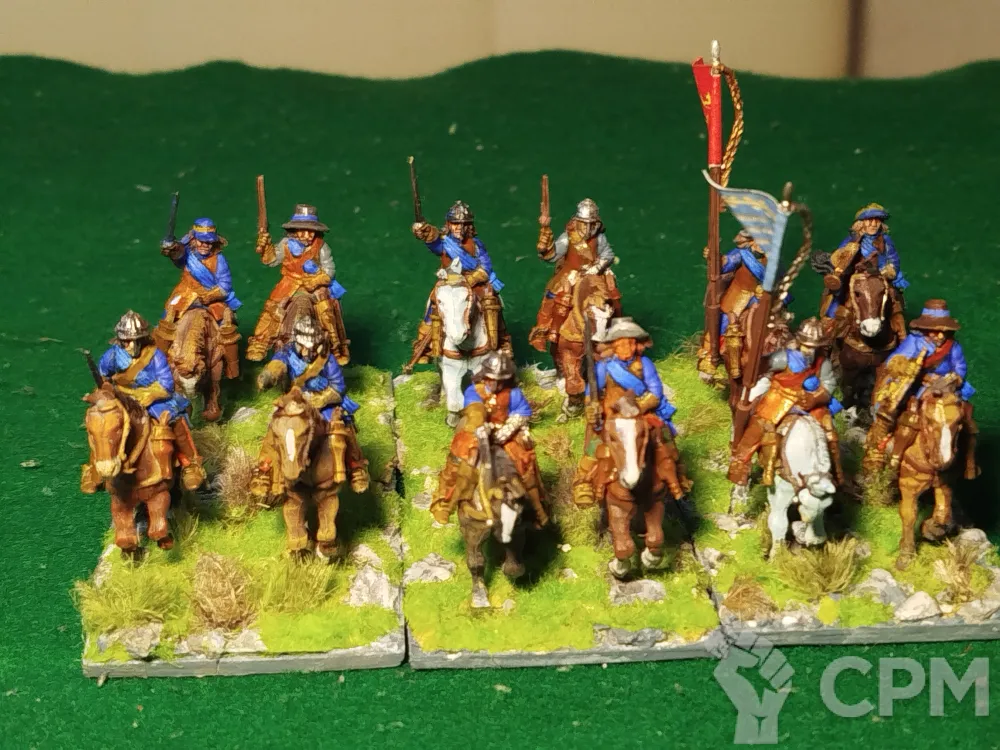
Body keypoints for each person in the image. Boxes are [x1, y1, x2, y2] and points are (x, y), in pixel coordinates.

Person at [572, 317, 690, 507]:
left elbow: (655, 391)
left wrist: (637, 408)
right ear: (613, 346)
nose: (627, 348)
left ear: (637, 344)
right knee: (596, 443)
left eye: (631, 343)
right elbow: (591, 393)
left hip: (641, 412)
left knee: (664, 438)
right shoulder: (604, 367)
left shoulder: (645, 364)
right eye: (622, 344)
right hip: (612, 415)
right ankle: (583, 480)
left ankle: (678, 475)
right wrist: (592, 406)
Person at [88, 310, 205, 490]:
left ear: (139, 340)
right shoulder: (113, 355)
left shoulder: (155, 356)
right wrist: (106, 389)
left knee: (174, 419)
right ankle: (94, 466)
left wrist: (150, 396)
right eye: (123, 341)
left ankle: (190, 463)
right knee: (101, 422)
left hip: (153, 397)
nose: (126, 345)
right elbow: (104, 374)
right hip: (122, 395)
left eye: (129, 341)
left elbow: (166, 385)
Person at [864, 299, 978, 477]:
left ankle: (968, 462)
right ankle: (884, 451)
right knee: (901, 415)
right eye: (935, 331)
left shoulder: (953, 346)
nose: (940, 336)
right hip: (917, 387)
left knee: (966, 421)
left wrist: (954, 378)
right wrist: (917, 374)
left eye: (943, 332)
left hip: (946, 387)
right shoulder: (915, 342)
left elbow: (960, 366)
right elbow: (895, 362)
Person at [255, 315, 369, 493]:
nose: (307, 352)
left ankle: (355, 465)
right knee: (275, 426)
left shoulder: (327, 359)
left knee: (340, 426)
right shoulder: (287, 352)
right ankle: (265, 468)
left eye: (312, 348)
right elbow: (278, 363)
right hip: (296, 400)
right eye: (304, 347)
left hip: (323, 401)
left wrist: (321, 399)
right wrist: (269, 375)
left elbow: (338, 387)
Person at [727, 318, 844, 487]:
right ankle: (740, 464)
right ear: (799, 343)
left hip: (809, 400)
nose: (810, 351)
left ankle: (836, 473)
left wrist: (816, 398)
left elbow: (828, 384)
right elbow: (763, 365)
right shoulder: (785, 357)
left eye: (814, 347)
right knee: (759, 424)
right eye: (807, 346)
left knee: (829, 431)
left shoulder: (822, 363)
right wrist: (757, 360)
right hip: (780, 397)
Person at [407, 201, 510, 367]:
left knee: (492, 302)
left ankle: (502, 342)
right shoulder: (444, 243)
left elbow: (485, 266)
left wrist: (470, 280)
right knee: (434, 303)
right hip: (450, 281)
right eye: (455, 224)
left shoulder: (476, 244)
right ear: (449, 224)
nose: (459, 228)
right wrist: (424, 231)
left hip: (473, 281)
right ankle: (424, 346)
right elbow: (433, 241)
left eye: (463, 224)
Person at [248, 204, 350, 364]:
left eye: (311, 231)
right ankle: (261, 341)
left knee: (325, 309)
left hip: (314, 284)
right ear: (295, 230)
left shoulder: (321, 246)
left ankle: (335, 345)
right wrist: (266, 248)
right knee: (273, 307)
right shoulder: (285, 244)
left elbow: (329, 270)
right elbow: (271, 260)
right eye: (303, 231)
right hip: (290, 282)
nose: (307, 235)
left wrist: (315, 281)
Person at [459, 351, 548, 527]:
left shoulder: (513, 393)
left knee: (523, 462)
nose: (495, 384)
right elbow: (473, 409)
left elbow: (522, 412)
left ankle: (537, 509)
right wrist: (480, 425)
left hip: (506, 434)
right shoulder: (474, 391)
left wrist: (506, 430)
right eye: (491, 379)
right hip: (479, 433)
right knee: (462, 459)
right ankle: (450, 499)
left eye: (500, 380)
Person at [152, 218, 242, 378]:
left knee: (226, 327)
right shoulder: (187, 253)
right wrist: (170, 247)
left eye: (209, 242)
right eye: (201, 241)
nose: (205, 245)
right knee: (168, 317)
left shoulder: (219, 260)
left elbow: (225, 285)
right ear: (193, 240)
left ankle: (232, 367)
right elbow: (177, 254)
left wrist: (209, 297)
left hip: (211, 297)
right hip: (185, 293)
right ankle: (158, 363)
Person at [529, 197, 622, 352]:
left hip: (594, 273)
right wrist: (545, 247)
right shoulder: (569, 237)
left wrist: (596, 268)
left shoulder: (599, 238)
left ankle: (617, 329)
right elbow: (554, 255)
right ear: (578, 222)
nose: (588, 228)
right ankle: (548, 330)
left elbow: (608, 255)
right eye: (584, 223)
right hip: (571, 273)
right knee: (555, 295)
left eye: (591, 224)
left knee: (612, 293)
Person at [696, 230, 790, 380]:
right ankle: (710, 356)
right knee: (722, 323)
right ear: (751, 241)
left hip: (764, 299)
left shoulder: (774, 260)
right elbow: (726, 263)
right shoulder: (742, 254)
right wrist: (715, 257)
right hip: (739, 296)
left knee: (778, 326)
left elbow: (781, 279)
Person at [820, 203, 907, 337]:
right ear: (861, 223)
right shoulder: (852, 240)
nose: (873, 224)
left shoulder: (886, 240)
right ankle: (830, 329)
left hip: (879, 276)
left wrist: (889, 270)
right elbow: (838, 258)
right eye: (869, 220)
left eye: (877, 221)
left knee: (894, 303)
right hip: (855, 277)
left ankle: (901, 335)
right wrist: (847, 254)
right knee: (837, 300)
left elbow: (893, 259)